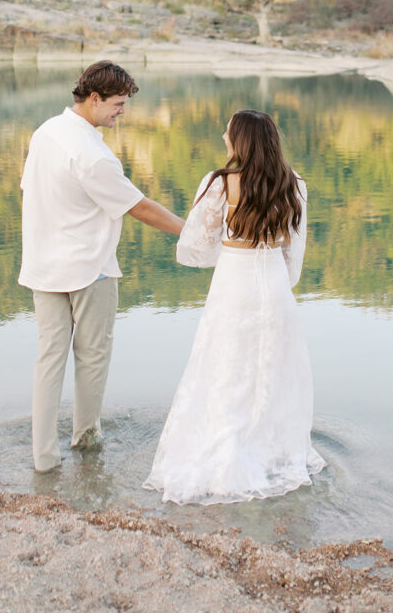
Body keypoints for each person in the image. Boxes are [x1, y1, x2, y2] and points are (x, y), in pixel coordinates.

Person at [144, 109, 325, 504]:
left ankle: (228, 457)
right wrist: (279, 278)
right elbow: (295, 252)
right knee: (270, 369)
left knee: (226, 366)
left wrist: (226, 252)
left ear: (239, 140)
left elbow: (193, 246)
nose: (224, 135)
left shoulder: (219, 183)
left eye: (228, 131)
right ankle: (269, 451)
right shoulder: (294, 184)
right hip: (275, 284)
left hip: (234, 282)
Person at [19, 60, 184, 473]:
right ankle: (86, 443)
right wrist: (192, 231)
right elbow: (140, 208)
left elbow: (31, 189)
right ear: (94, 99)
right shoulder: (93, 154)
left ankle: (43, 460)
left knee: (49, 359)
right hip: (88, 268)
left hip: (43, 266)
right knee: (92, 358)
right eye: (118, 103)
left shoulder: (45, 132)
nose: (122, 111)